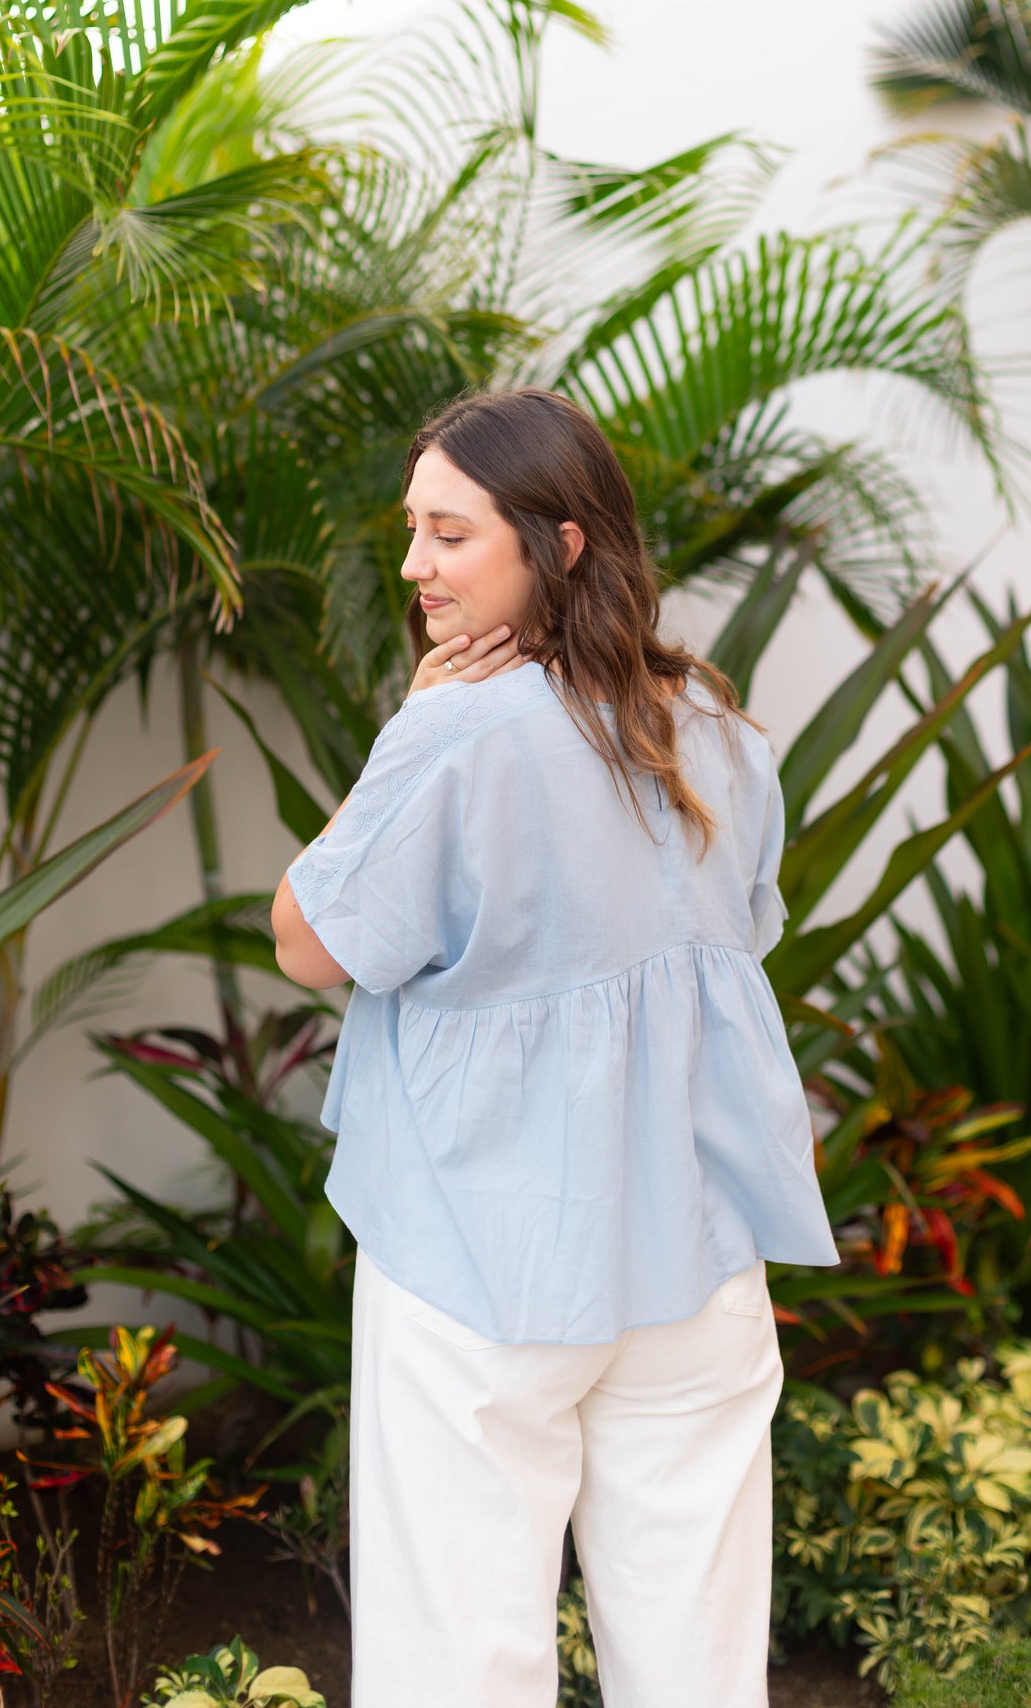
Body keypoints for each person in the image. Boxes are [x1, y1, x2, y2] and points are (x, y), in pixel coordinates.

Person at [271, 386, 839, 1708]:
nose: (413, 563)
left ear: (560, 545)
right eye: (412, 529)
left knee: (458, 1661)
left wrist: (405, 735)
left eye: (449, 533)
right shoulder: (714, 729)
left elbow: (308, 940)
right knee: (696, 1661)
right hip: (691, 1260)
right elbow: (730, 943)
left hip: (479, 1261)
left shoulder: (456, 733)